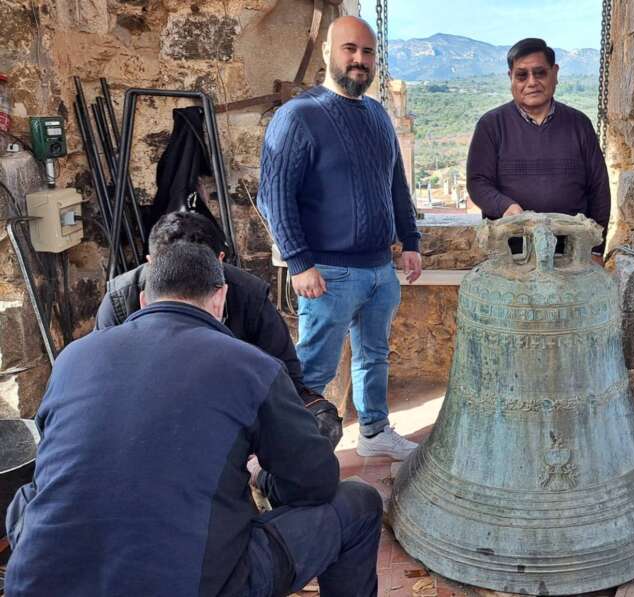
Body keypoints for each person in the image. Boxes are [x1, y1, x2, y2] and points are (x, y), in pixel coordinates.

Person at [4, 242, 382, 597]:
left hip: (40, 583)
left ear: (143, 299)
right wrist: (260, 475)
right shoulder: (251, 366)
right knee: (359, 502)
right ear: (220, 298)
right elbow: (315, 483)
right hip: (192, 584)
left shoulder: (73, 357)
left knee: (28, 498)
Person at [257, 16, 422, 461]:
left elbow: (395, 184)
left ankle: (374, 432)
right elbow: (273, 195)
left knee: (375, 356)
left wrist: (410, 241)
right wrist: (299, 262)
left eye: (367, 52)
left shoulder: (378, 115)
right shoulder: (298, 116)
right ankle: (290, 454)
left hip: (380, 268)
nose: (359, 59)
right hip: (328, 273)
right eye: (350, 49)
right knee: (314, 368)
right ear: (329, 52)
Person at [94, 210, 343, 448]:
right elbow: (106, 388)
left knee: (320, 423)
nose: (186, 281)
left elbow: (286, 377)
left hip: (233, 405)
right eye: (172, 267)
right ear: (150, 265)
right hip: (151, 411)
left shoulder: (248, 295)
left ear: (220, 262)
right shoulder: (120, 301)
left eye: (199, 268)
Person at [466, 37, 611, 261]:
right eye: (522, 75)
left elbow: (599, 189)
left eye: (540, 73)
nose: (531, 82)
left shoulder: (579, 124)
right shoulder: (491, 126)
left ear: (555, 73)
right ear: (511, 78)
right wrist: (506, 206)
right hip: (512, 256)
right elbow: (478, 182)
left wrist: (595, 250)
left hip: (571, 256)